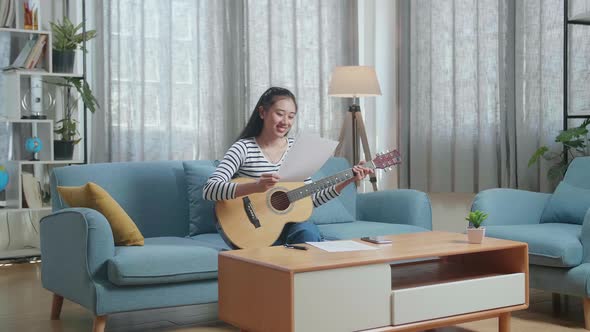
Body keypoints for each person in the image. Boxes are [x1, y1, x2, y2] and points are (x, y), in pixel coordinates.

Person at [203, 86, 374, 248]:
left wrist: (348, 180)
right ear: (262, 112)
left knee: (308, 234)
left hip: (290, 227)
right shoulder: (243, 148)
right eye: (280, 114)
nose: (285, 122)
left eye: (291, 116)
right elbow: (210, 190)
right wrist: (255, 187)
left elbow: (309, 200)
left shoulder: (297, 149)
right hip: (251, 230)